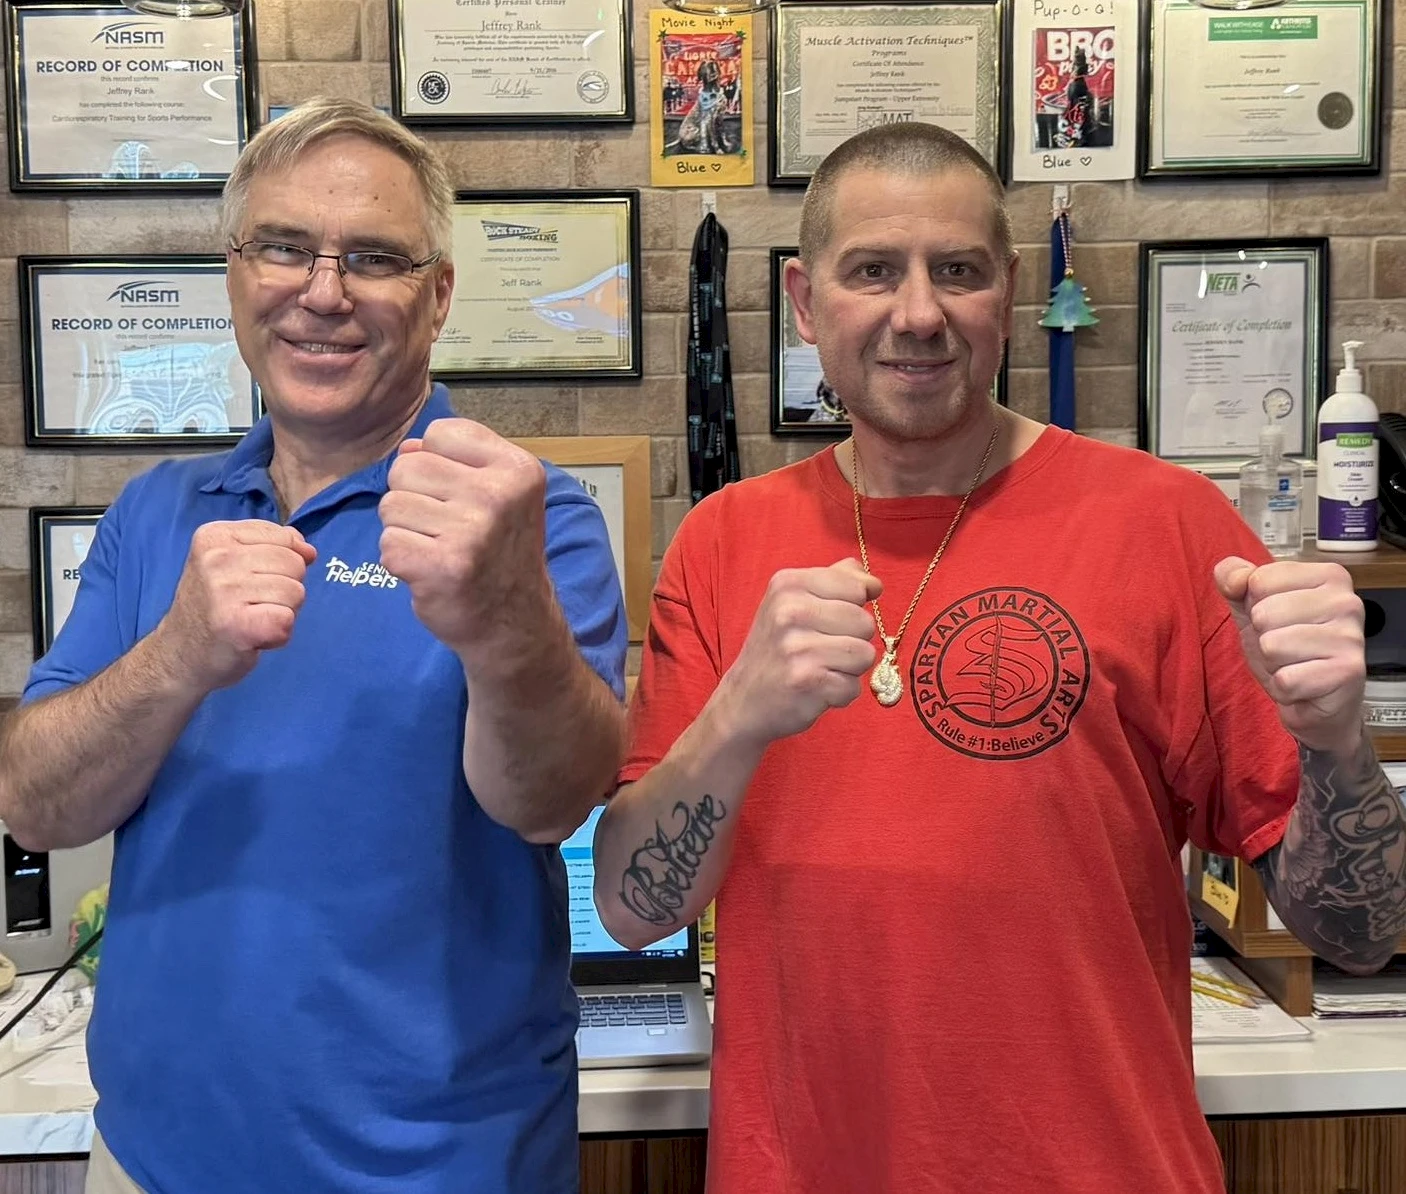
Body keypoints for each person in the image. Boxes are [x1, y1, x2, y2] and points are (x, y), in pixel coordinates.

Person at [593, 121, 1406, 1193]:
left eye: (958, 272)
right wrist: (737, 717)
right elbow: (630, 907)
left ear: (1008, 293)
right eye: (872, 270)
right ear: (801, 301)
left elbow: (1359, 930)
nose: (918, 313)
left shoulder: (1166, 525)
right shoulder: (720, 543)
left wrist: (1338, 745)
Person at [0, 98, 628, 1194]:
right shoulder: (155, 513)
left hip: (442, 1171)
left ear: (435, 299)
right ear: (238, 276)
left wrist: (503, 617)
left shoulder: (527, 516)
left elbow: (549, 803)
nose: (322, 293)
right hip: (152, 1161)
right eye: (284, 248)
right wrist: (177, 655)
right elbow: (38, 806)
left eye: (374, 257)